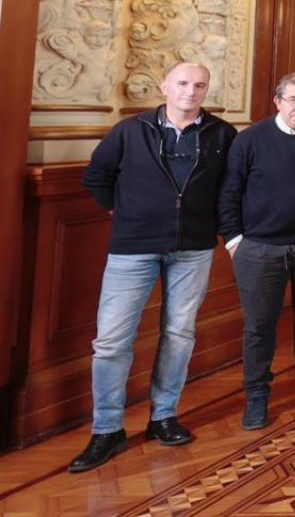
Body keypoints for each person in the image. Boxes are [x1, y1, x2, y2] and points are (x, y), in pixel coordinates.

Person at [70, 63, 236, 473]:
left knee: (179, 334)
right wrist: (121, 211)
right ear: (165, 87)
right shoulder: (131, 130)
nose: (190, 91)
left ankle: (163, 416)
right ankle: (107, 429)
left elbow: (230, 188)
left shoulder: (222, 135)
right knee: (111, 341)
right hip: (133, 248)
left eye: (199, 85)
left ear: (206, 91)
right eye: (182, 83)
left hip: (194, 248)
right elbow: (96, 176)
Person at [219, 71, 295, 431]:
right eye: (292, 99)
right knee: (260, 327)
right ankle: (257, 396)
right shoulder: (250, 140)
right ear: (278, 102)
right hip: (260, 250)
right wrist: (234, 240)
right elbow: (229, 192)